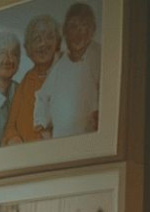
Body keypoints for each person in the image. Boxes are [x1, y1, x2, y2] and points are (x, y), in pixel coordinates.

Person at [33, 3, 100, 139]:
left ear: (92, 30)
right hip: (61, 142)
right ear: (65, 31)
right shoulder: (60, 65)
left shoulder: (98, 57)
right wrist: (42, 124)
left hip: (90, 141)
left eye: (84, 26)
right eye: (74, 26)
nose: (79, 33)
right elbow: (42, 97)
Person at [2, 14, 60, 145]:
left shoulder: (65, 73)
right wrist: (14, 140)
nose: (43, 43)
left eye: (49, 37)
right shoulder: (27, 80)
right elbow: (10, 127)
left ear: (57, 42)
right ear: (27, 49)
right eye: (36, 39)